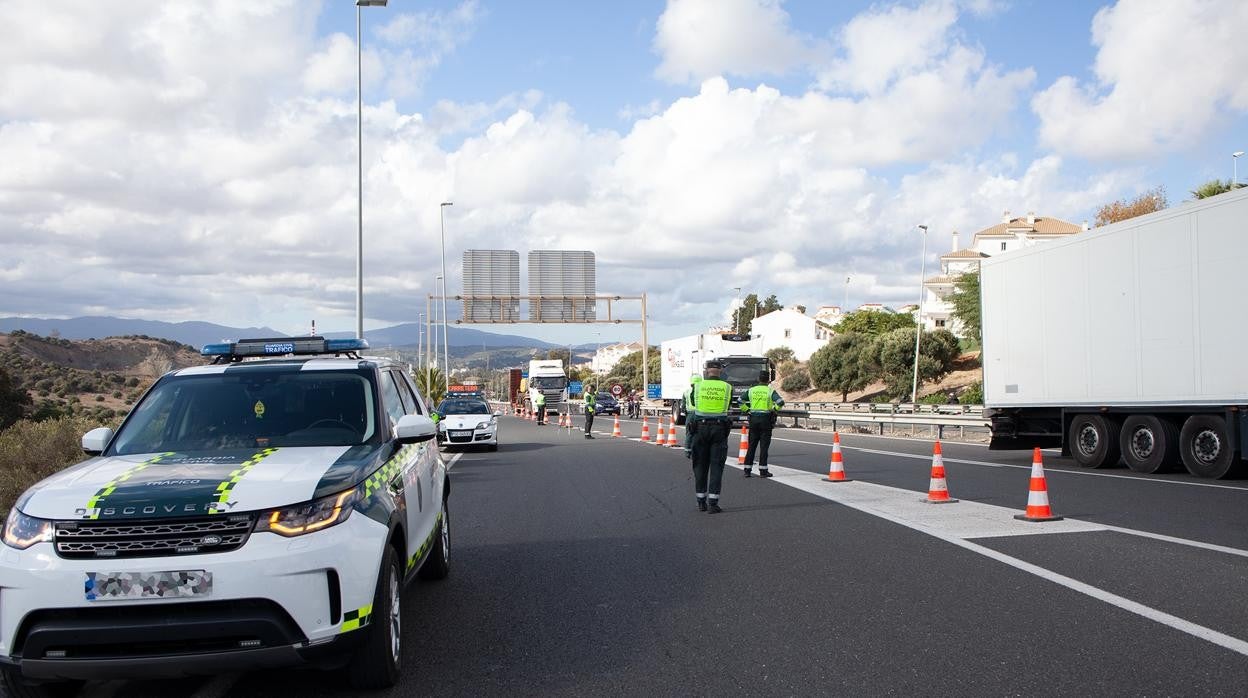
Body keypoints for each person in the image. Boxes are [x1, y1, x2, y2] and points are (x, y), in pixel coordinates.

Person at [690, 361, 733, 514]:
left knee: (700, 465)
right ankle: (713, 504)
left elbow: (694, 403)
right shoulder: (727, 387)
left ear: (707, 371)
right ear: (720, 371)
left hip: (700, 428)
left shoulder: (698, 386)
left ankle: (701, 501)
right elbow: (728, 406)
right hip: (719, 429)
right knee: (716, 466)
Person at [742, 370, 785, 478]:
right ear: (768, 381)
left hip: (753, 419)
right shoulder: (770, 391)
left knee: (751, 446)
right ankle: (763, 471)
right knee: (764, 447)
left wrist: (747, 410)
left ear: (758, 379)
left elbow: (739, 400)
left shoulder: (751, 390)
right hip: (766, 420)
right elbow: (780, 402)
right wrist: (774, 410)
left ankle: (747, 470)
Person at [682, 374, 702, 458]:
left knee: (689, 433)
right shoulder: (702, 391)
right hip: (700, 414)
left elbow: (683, 406)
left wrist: (686, 414)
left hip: (690, 414)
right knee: (700, 433)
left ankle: (687, 451)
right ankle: (698, 451)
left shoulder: (686, 392)